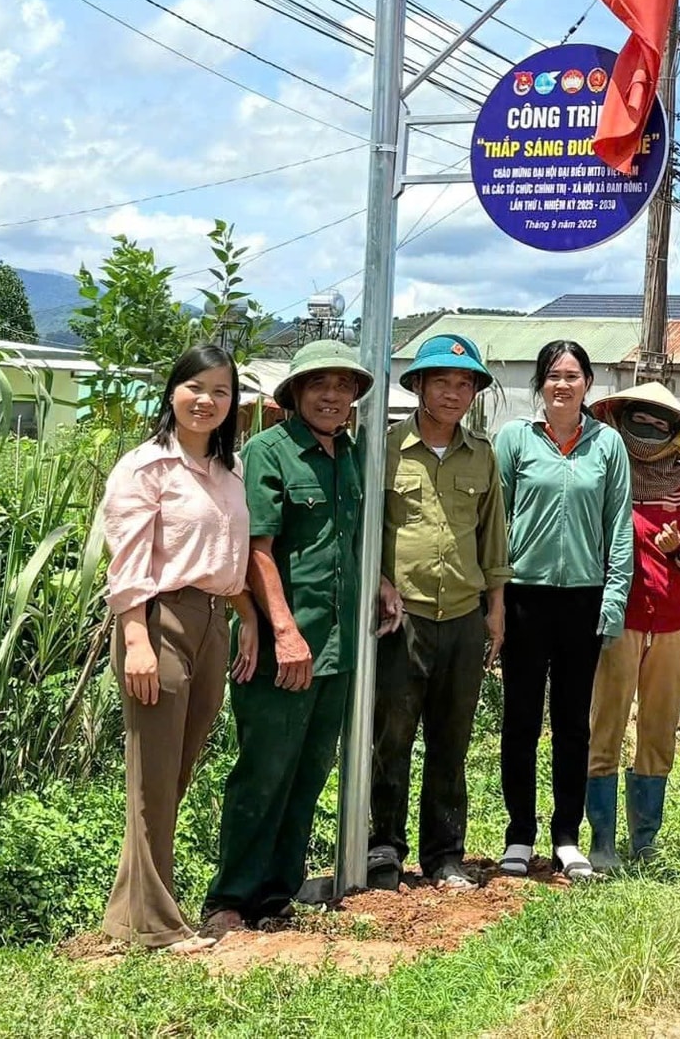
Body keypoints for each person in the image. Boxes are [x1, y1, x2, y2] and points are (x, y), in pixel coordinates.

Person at [202, 341, 401, 934]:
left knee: (309, 772)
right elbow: (257, 549)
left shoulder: (352, 454)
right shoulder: (269, 451)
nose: (332, 396)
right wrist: (285, 632)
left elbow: (348, 537)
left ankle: (275, 897)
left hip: (338, 647)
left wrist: (379, 580)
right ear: (294, 394)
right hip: (282, 648)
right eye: (319, 384)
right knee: (265, 772)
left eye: (343, 386)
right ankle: (228, 899)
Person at [99, 346, 256, 953]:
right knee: (154, 777)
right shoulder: (146, 468)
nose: (207, 401)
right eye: (196, 387)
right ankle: (156, 926)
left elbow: (225, 557)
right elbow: (128, 560)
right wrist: (136, 638)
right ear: (172, 391)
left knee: (176, 771)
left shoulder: (228, 471)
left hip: (212, 623)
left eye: (221, 391)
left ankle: (130, 913)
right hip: (159, 620)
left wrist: (248, 618)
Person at [367, 333, 509, 892]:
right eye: (442, 382)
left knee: (451, 741)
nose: (454, 393)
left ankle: (445, 855)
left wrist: (495, 609)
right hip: (403, 617)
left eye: (464, 383)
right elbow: (366, 529)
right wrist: (379, 580)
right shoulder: (385, 449)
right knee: (392, 736)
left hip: (464, 617)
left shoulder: (482, 455)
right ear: (419, 386)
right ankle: (383, 848)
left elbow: (492, 537)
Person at [493, 340, 635, 881]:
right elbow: (496, 521)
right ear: (540, 383)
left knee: (573, 724)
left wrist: (614, 599)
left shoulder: (608, 445)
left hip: (583, 598)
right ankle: (519, 835)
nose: (563, 384)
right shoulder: (516, 439)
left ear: (588, 384)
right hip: (524, 597)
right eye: (553, 375)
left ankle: (567, 837)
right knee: (521, 721)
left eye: (573, 375)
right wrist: (495, 598)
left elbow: (618, 527)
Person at [584, 383, 680, 871]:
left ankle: (644, 841)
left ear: (676, 433)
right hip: (618, 619)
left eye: (661, 424)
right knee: (605, 726)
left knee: (659, 730)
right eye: (642, 421)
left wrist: (679, 547)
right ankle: (601, 842)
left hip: (674, 622)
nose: (651, 431)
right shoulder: (606, 474)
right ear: (622, 421)